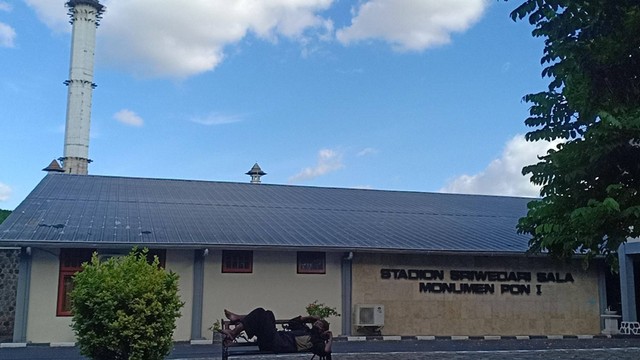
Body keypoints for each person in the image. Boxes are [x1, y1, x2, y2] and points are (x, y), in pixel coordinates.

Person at [220, 307, 333, 358]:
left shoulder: (317, 342)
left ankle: (234, 329)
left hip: (275, 344)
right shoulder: (305, 330)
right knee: (268, 314)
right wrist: (309, 317)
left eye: (320, 324)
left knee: (261, 312)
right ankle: (236, 325)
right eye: (317, 322)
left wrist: (330, 337)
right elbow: (292, 322)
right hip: (272, 338)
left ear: (323, 330)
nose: (317, 324)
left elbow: (325, 351)